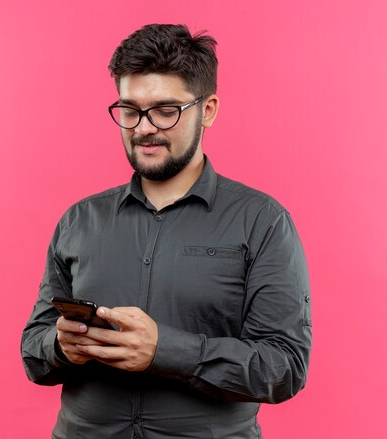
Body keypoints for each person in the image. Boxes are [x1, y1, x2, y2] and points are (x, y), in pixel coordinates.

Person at [21, 23, 312, 439]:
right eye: (129, 109)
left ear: (207, 110)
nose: (143, 128)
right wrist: (60, 346)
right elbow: (33, 351)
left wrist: (166, 351)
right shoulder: (78, 220)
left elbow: (284, 367)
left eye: (165, 110)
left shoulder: (263, 222)